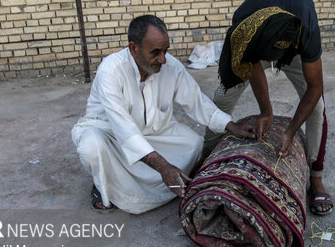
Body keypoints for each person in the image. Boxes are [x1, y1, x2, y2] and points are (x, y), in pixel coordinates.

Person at [72, 15, 254, 214]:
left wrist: (231, 125)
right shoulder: (110, 70)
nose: (163, 59)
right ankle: (106, 185)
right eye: (155, 52)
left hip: (155, 133)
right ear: (134, 48)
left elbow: (197, 102)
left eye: (165, 51)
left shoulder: (172, 67)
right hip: (112, 136)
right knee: (91, 146)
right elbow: (123, 127)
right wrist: (163, 167)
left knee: (193, 143)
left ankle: (150, 182)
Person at [203, 0, 332, 216]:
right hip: (255, 42)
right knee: (222, 98)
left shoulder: (306, 31)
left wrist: (291, 131)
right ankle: (205, 161)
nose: (271, 64)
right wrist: (266, 110)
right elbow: (251, 64)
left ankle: (316, 177)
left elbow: (314, 88)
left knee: (317, 108)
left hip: (290, 40)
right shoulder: (245, 24)